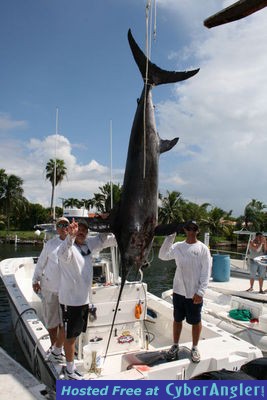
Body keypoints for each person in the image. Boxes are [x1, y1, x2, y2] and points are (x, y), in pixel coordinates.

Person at [57, 218, 116, 380]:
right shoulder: (66, 248)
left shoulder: (88, 245)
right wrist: (70, 236)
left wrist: (105, 221)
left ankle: (66, 359)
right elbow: (63, 253)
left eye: (84, 230)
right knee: (70, 338)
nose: (81, 233)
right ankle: (69, 370)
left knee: (75, 334)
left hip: (84, 301)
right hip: (71, 301)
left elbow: (102, 239)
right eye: (78, 230)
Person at [158, 220, 212, 363]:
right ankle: (175, 345)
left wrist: (201, 292)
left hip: (194, 293)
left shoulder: (202, 249)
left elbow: (206, 272)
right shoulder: (177, 246)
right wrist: (170, 237)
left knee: (195, 321)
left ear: (197, 230)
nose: (191, 230)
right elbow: (162, 256)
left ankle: (194, 347)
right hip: (178, 291)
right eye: (188, 228)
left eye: (194, 228)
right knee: (177, 319)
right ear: (185, 230)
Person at [32, 216, 70, 362]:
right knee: (52, 322)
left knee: (64, 324)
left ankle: (59, 350)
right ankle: (54, 348)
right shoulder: (50, 244)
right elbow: (41, 263)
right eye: (60, 224)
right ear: (56, 228)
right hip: (49, 288)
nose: (63, 227)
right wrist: (35, 280)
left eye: (65, 224)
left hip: (66, 292)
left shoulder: (74, 244)